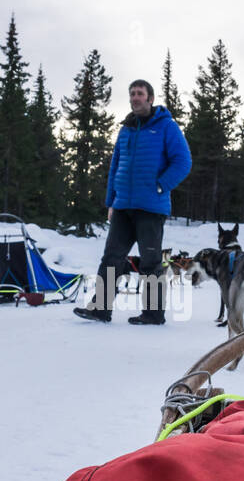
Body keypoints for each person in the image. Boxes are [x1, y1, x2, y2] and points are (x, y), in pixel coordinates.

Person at [74, 79, 192, 325]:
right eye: (132, 94)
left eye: (140, 93)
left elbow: (183, 162)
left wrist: (160, 185)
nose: (135, 97)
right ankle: (100, 309)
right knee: (111, 257)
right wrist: (111, 202)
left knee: (150, 262)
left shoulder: (166, 126)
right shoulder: (126, 128)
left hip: (150, 207)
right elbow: (115, 165)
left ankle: (153, 314)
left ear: (150, 98)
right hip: (122, 206)